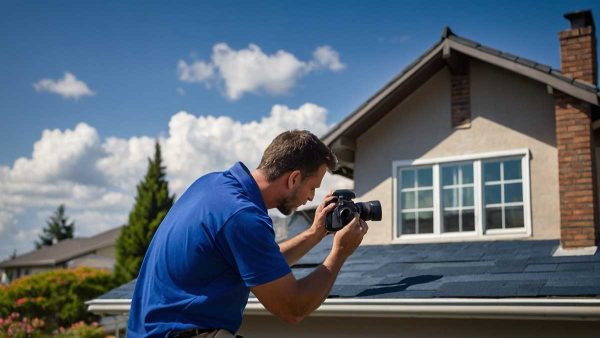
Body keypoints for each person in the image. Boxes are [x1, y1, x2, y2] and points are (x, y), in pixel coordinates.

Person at [127, 130, 369, 338]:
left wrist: (316, 233)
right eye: (312, 187)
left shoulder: (212, 185)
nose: (311, 197)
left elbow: (263, 264)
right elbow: (293, 308)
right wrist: (339, 253)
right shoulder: (243, 216)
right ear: (294, 178)